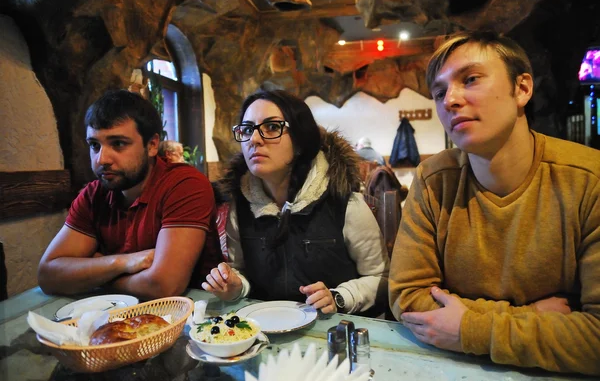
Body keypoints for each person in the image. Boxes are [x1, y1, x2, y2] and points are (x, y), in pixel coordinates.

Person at [389, 30, 600, 375]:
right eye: (439, 92)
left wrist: (468, 329)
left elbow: (595, 337)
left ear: (522, 89)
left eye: (470, 79)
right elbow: (408, 298)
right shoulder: (433, 180)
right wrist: (530, 318)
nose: (450, 100)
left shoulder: (589, 179)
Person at [201, 90, 389, 315]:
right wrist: (234, 286)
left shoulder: (345, 203)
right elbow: (241, 271)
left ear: (300, 141)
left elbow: (381, 278)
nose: (254, 139)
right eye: (247, 129)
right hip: (266, 330)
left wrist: (339, 297)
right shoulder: (240, 208)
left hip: (334, 332)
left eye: (272, 127)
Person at [38, 90, 222, 299]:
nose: (102, 159)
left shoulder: (184, 185)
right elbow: (48, 275)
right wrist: (122, 262)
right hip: (117, 318)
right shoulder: (93, 194)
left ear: (152, 145)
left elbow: (164, 286)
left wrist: (92, 272)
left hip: (194, 318)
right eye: (94, 145)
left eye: (118, 143)